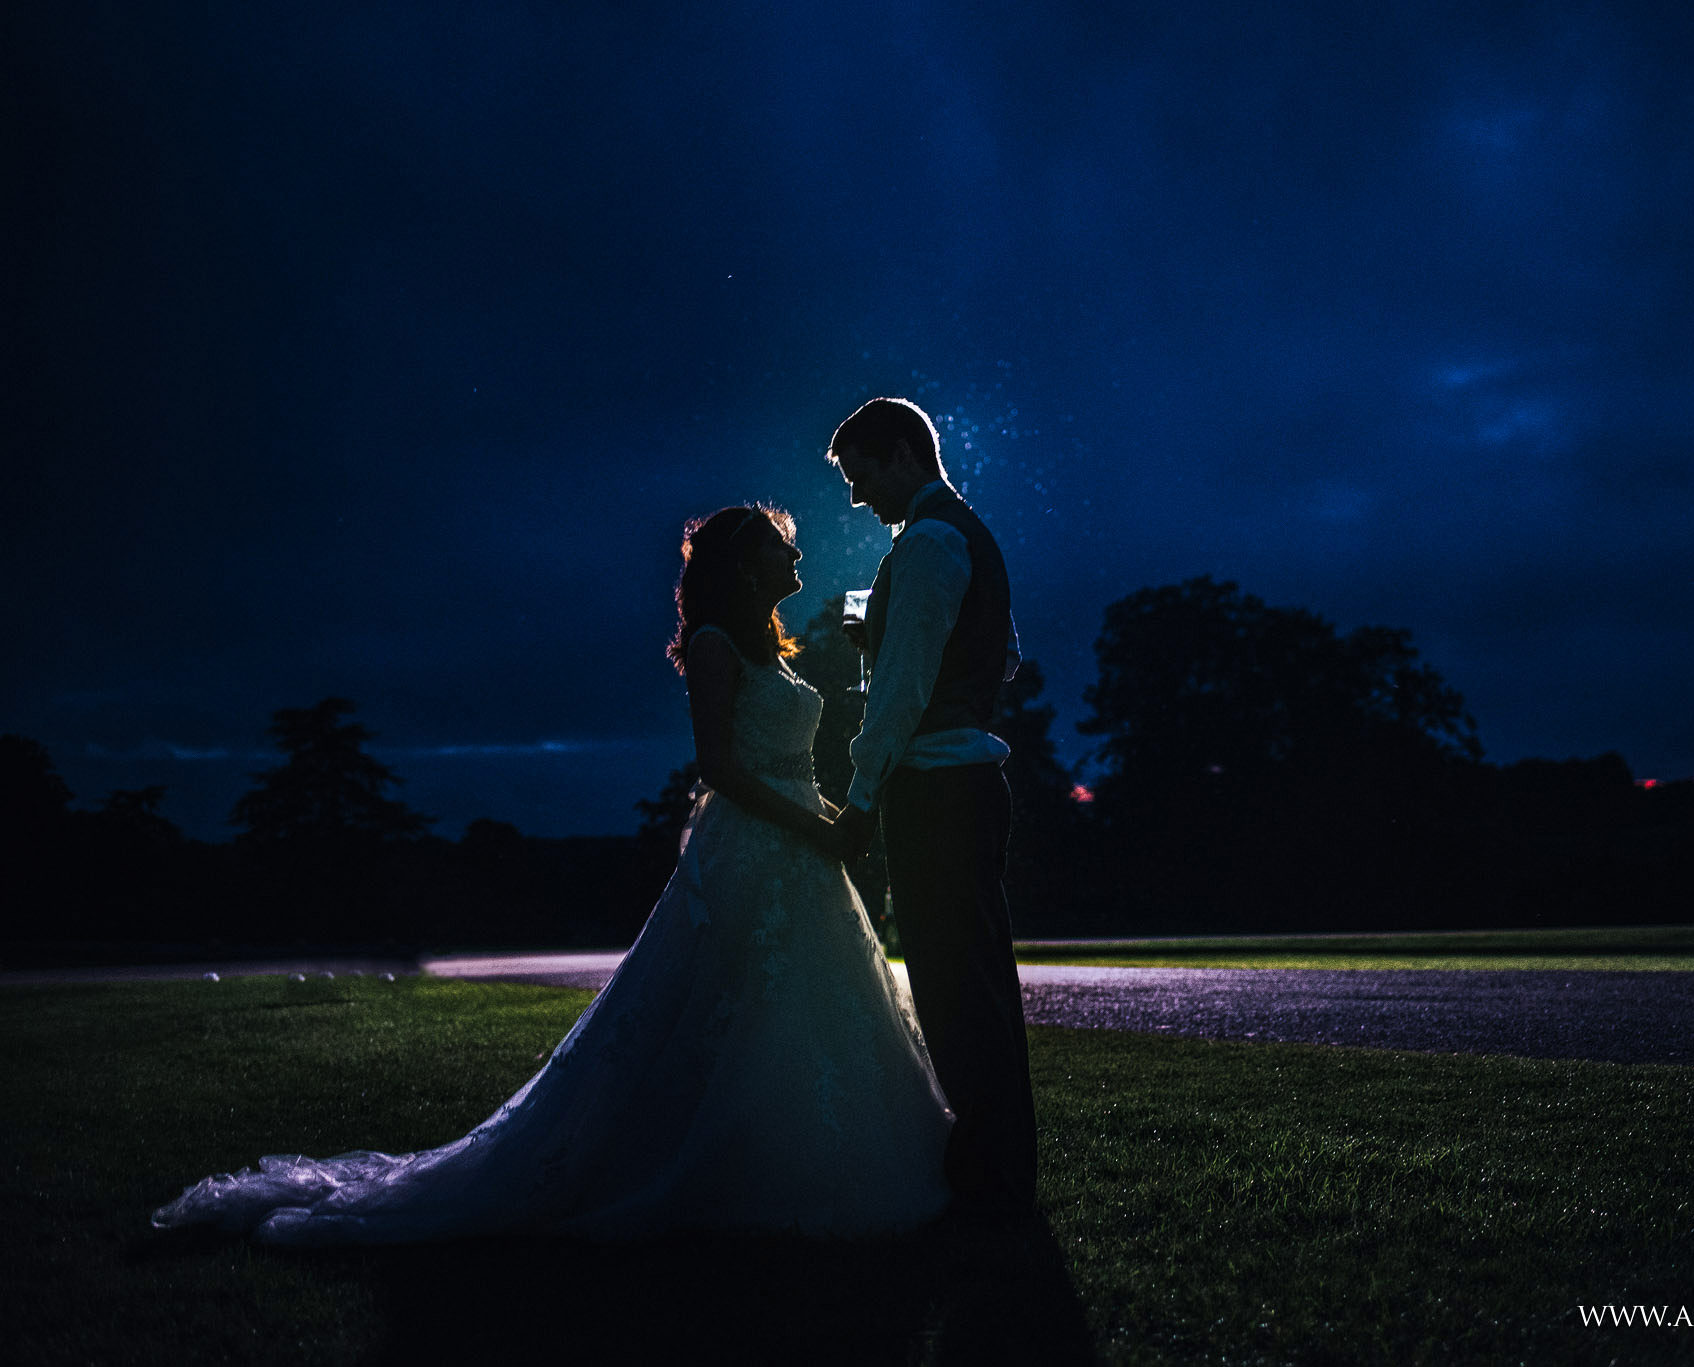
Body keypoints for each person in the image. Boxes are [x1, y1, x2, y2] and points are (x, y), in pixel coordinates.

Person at [151, 505, 953, 1244]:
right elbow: (718, 766)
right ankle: (725, 1173)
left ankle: (803, 1159)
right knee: (733, 1010)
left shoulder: (768, 646)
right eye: (783, 544)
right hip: (758, 845)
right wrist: (817, 826)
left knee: (799, 1010)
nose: (798, 551)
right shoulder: (713, 644)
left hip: (801, 850)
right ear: (748, 563)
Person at [826, 397, 1038, 1218]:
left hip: (936, 790)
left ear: (904, 456)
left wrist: (861, 797)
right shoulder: (967, 533)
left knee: (954, 988)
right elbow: (1007, 656)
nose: (855, 496)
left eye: (860, 475)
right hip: (973, 784)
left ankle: (988, 1175)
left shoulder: (925, 542)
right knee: (978, 978)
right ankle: (999, 1165)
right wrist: (891, 632)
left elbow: (900, 694)